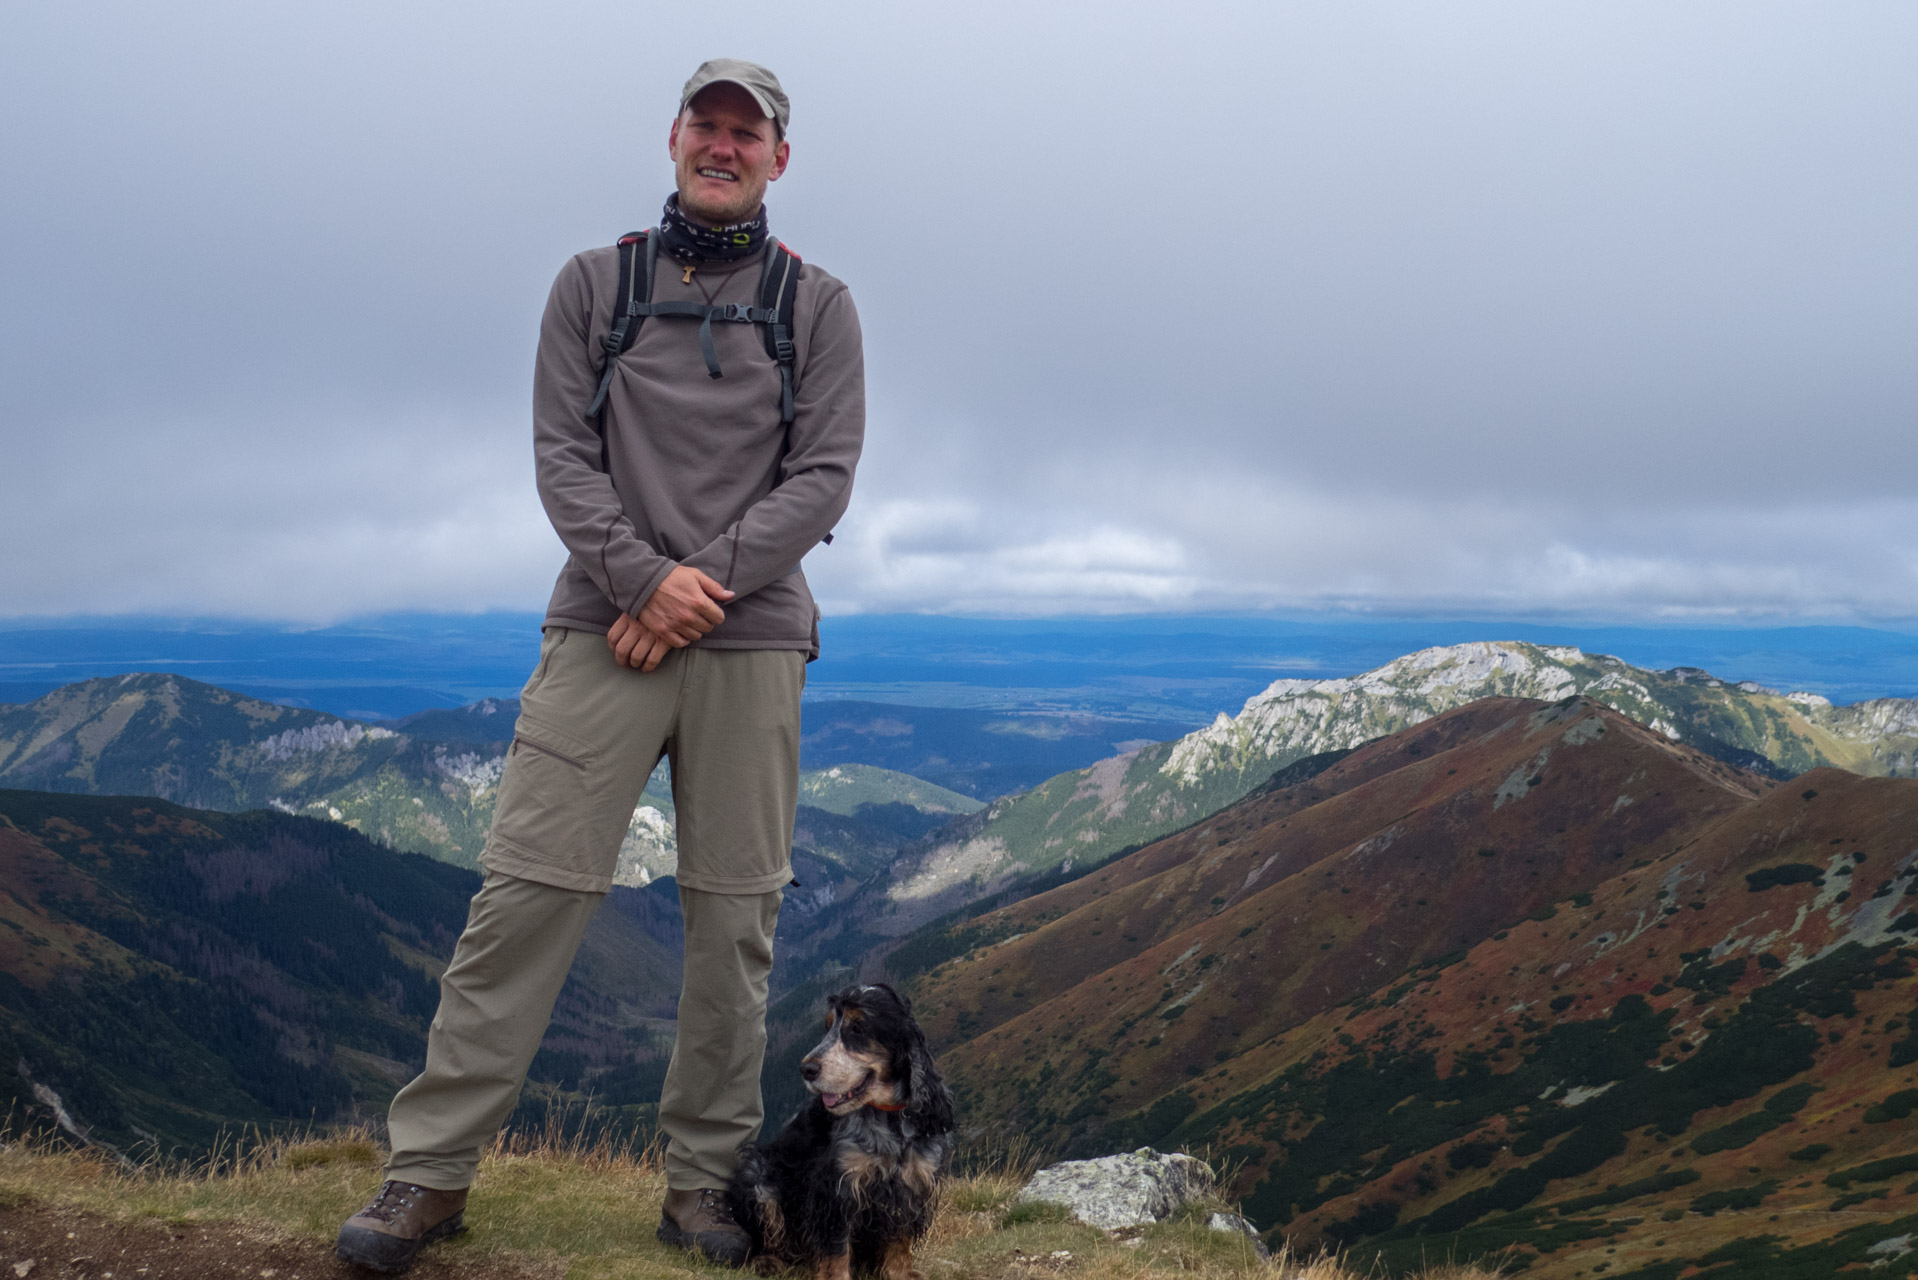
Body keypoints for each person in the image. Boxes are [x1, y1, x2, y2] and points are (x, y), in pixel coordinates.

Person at [336, 58, 863, 1274]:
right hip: (602, 628)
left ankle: (700, 1186)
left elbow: (823, 477)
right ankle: (430, 1172)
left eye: (748, 133)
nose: (723, 146)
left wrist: (690, 591)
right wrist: (640, 581)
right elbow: (558, 455)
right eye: (706, 125)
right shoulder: (594, 284)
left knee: (733, 921)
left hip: (746, 640)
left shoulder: (818, 305)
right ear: (673, 138)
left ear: (781, 156)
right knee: (524, 892)